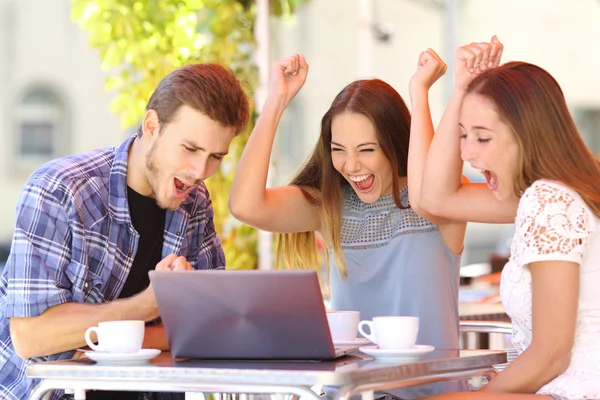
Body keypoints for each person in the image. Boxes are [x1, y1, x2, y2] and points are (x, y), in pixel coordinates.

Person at [0, 62, 249, 400]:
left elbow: (212, 328)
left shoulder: (195, 202)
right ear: (151, 126)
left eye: (215, 156)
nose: (199, 171)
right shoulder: (59, 189)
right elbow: (31, 337)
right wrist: (147, 307)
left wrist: (98, 344)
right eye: (189, 149)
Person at [229, 51, 471, 398]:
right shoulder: (332, 205)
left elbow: (428, 190)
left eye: (367, 149)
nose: (351, 165)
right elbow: (245, 205)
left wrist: (419, 92)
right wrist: (276, 100)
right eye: (338, 149)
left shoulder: (439, 203)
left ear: (395, 144)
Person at [418, 36, 600, 399]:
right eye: (463, 136)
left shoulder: (548, 199)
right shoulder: (565, 189)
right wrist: (463, 89)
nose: (467, 154)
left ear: (526, 135)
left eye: (482, 139)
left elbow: (551, 354)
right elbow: (436, 198)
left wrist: (485, 395)